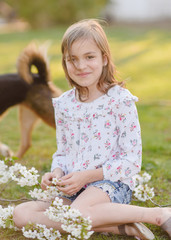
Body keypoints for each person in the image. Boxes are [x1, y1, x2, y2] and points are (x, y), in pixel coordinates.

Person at [13, 19, 171, 239]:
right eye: (72, 59)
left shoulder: (120, 101)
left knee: (77, 213)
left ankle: (157, 214)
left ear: (104, 58)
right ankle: (120, 225)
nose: (80, 66)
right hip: (74, 190)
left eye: (89, 57)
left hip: (110, 186)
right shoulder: (64, 104)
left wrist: (88, 175)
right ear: (65, 62)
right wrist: (56, 173)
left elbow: (131, 161)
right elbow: (63, 152)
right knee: (21, 214)